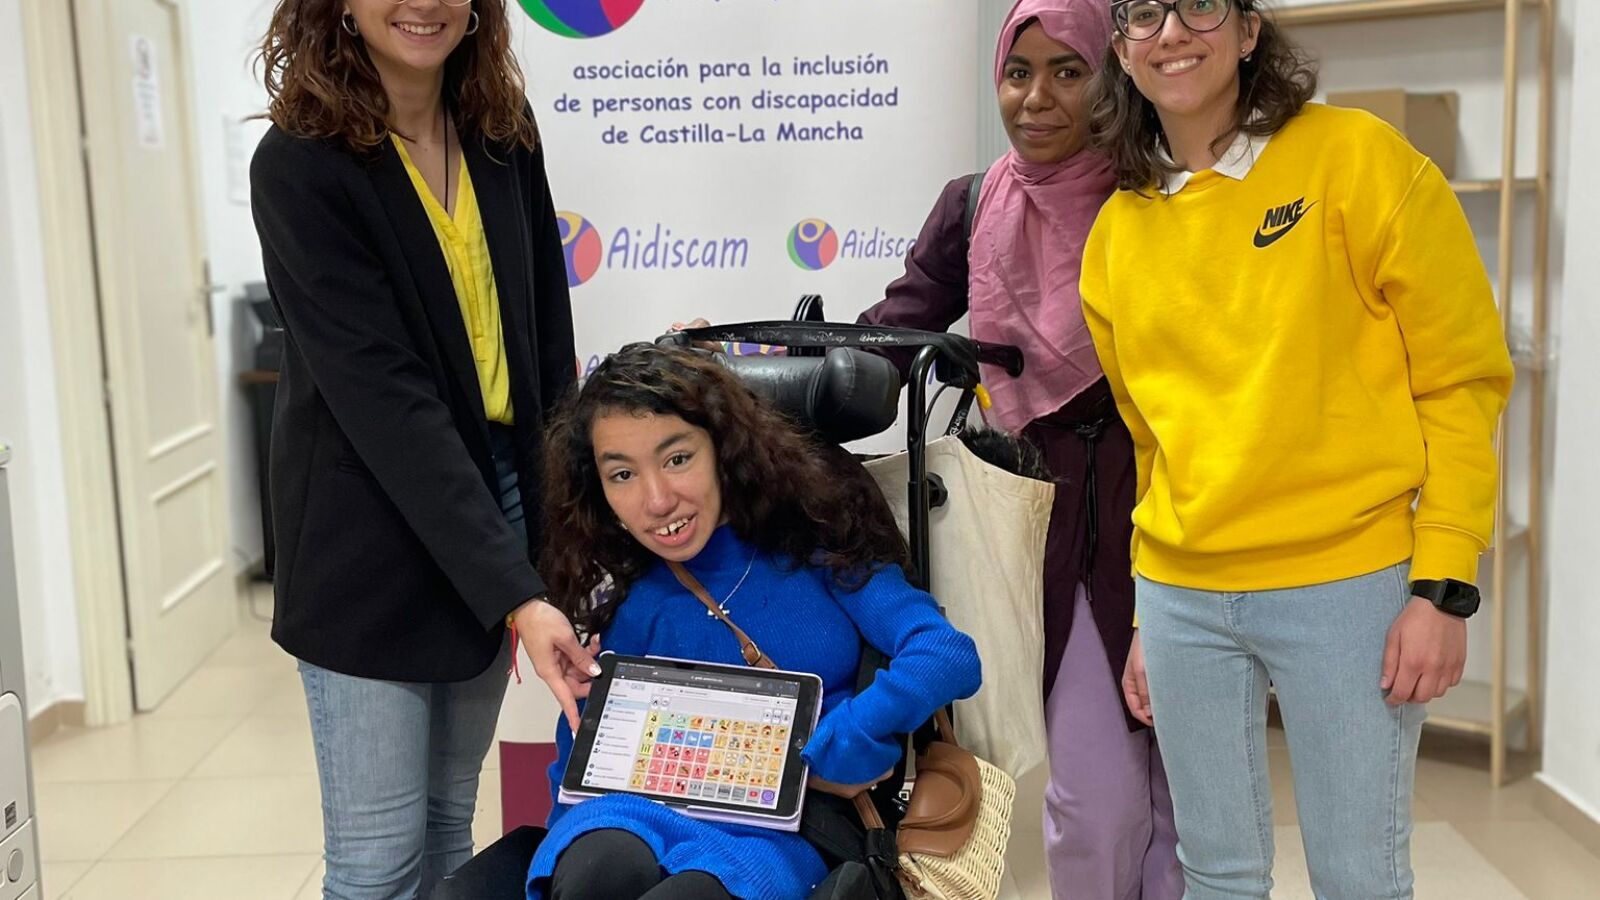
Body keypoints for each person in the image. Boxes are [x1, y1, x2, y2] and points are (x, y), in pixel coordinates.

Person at [1079, 1, 1514, 897]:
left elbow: (1461, 382)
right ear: (1120, 50)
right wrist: (1145, 617)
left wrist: (1444, 583)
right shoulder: (1116, 232)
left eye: (1200, 4)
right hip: (1182, 596)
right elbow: (1151, 441)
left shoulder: (1359, 159)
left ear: (1248, 31)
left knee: (1359, 876)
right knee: (1216, 875)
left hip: (1347, 587)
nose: (1172, 31)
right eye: (1143, 13)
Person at [250, 1, 578, 897]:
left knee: (447, 825)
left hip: (496, 501)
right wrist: (517, 594)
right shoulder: (300, 165)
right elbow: (386, 399)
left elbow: (546, 341)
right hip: (367, 534)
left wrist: (560, 535)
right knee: (379, 861)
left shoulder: (502, 132)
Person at [855, 1, 1182, 896]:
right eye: (1017, 72)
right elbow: (890, 338)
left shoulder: (1160, 197)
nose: (1036, 98)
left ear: (1110, 80)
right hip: (1042, 528)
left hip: (1174, 515)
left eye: (1068, 72)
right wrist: (760, 368)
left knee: (1194, 800)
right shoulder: (973, 206)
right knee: (1095, 797)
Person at [523, 343, 982, 900]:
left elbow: (945, 652)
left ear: (723, 450)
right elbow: (577, 770)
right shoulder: (628, 600)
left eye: (677, 459)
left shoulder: (819, 545)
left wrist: (846, 736)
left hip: (778, 831)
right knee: (595, 874)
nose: (657, 500)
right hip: (631, 812)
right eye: (622, 474)